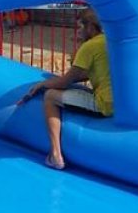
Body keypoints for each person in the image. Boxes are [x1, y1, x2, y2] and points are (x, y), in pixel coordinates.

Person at [16, 9, 113, 170]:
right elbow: (88, 74)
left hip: (105, 104)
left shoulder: (89, 46)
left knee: (50, 96)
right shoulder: (109, 41)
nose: (78, 32)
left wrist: (42, 84)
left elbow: (66, 81)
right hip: (120, 103)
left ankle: (55, 154)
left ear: (90, 28)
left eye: (80, 27)